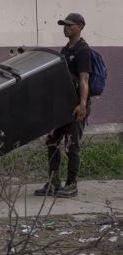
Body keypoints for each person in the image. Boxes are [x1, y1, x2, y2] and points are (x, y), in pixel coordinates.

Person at [35, 13, 91, 198]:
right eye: (64, 25)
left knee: (72, 146)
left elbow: (84, 79)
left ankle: (71, 185)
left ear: (80, 27)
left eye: (70, 25)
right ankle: (53, 182)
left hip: (76, 107)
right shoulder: (65, 50)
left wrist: (82, 105)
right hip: (62, 107)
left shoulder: (83, 50)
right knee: (52, 141)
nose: (65, 28)